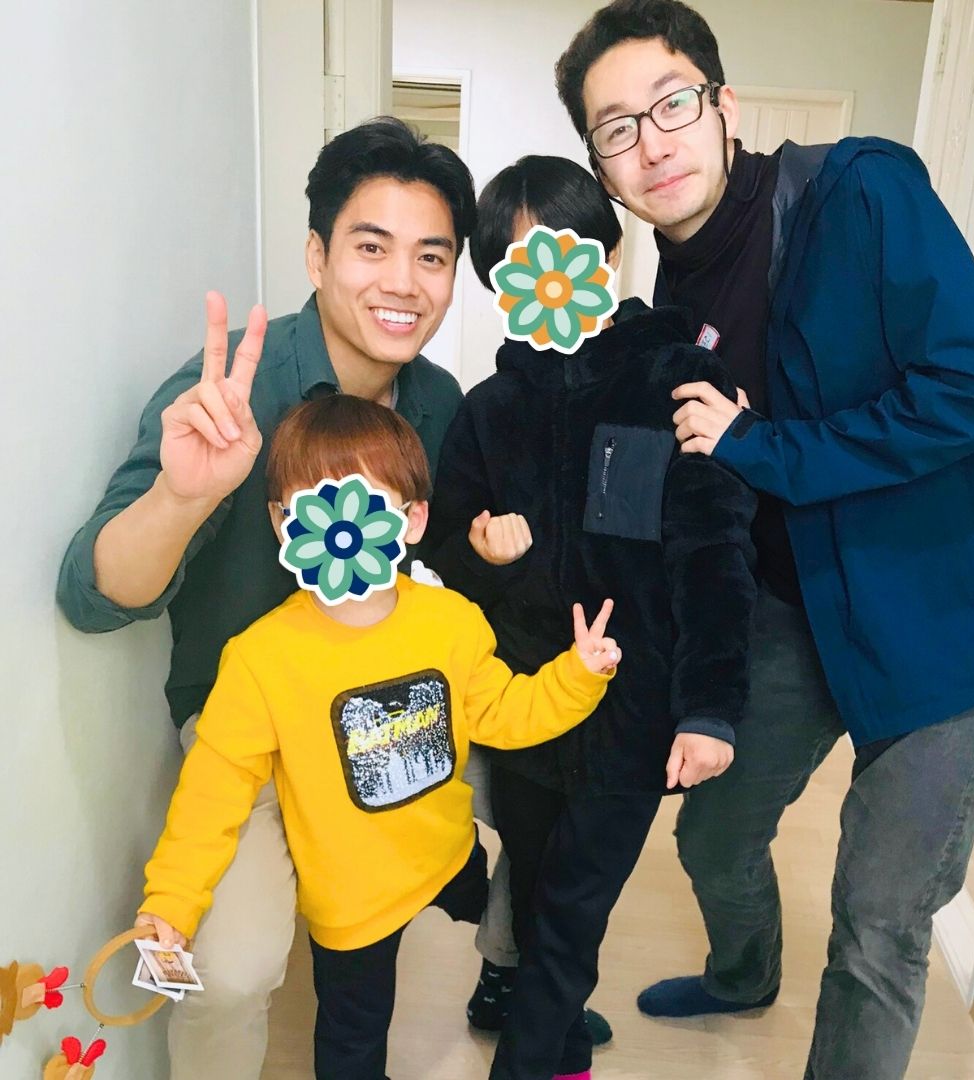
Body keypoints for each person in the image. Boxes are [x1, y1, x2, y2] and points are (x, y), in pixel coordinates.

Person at [555, 2, 974, 1077]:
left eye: (673, 104)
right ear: (600, 165)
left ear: (725, 104)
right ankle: (745, 971)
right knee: (711, 832)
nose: (652, 143)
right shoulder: (669, 289)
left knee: (879, 918)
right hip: (798, 607)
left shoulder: (862, 191)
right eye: (615, 129)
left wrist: (765, 447)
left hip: (944, 621)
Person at [55, 117, 490, 1080]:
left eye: (432, 255)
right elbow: (93, 595)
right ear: (317, 254)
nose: (402, 282)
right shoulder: (230, 394)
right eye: (370, 246)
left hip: (378, 715)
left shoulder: (441, 404)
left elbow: (442, 571)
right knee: (228, 967)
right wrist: (185, 493)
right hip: (249, 731)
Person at [134, 394, 621, 1080]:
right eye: (310, 506)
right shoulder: (261, 657)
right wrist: (171, 903)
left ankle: (512, 988)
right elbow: (211, 792)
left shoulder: (450, 621)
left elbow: (505, 713)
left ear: (413, 517)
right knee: (353, 1039)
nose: (341, 522)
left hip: (446, 856)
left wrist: (577, 675)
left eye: (362, 499)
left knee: (526, 895)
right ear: (282, 525)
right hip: (352, 898)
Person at [425, 154, 758, 1080]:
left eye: (565, 250)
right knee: (534, 900)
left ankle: (530, 1060)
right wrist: (478, 548)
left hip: (633, 715)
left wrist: (707, 709)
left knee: (573, 910)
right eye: (516, 264)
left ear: (607, 255)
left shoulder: (676, 380)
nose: (548, 277)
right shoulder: (489, 411)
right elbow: (442, 545)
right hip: (528, 709)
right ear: (499, 286)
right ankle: (560, 1038)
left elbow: (715, 554)